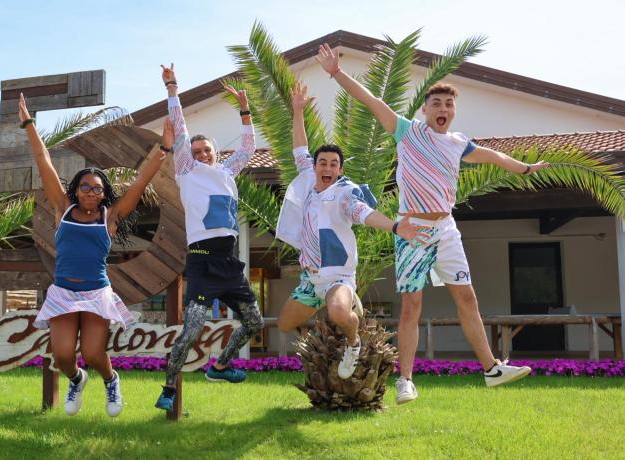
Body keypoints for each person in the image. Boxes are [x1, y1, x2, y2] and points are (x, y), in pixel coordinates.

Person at [316, 43, 549, 403]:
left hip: (447, 229)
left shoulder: (458, 143)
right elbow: (372, 101)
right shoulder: (407, 132)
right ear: (425, 109)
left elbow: (493, 155)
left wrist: (523, 167)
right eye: (436, 104)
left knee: (467, 299)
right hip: (413, 229)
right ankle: (405, 380)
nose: (443, 109)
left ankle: (491, 369)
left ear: (454, 111)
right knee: (412, 306)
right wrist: (336, 73)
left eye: (449, 104)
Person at [19, 93, 173, 417]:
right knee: (62, 356)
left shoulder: (111, 216)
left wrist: (164, 148)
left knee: (92, 351)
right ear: (75, 190)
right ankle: (76, 379)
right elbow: (43, 159)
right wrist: (29, 124)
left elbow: (142, 178)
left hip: (95, 292)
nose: (91, 192)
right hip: (63, 290)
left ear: (104, 193)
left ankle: (111, 379)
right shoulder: (63, 208)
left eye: (98, 188)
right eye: (86, 187)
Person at [276, 83, 429, 380]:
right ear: (316, 166)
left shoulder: (345, 194)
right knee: (283, 323)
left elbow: (365, 213)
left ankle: (352, 340)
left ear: (340, 170)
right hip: (311, 278)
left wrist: (395, 226)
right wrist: (296, 110)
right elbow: (299, 148)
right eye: (323, 162)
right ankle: (333, 312)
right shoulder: (308, 179)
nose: (327, 167)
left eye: (334, 164)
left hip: (338, 276)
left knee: (337, 312)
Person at [155, 64, 264, 412]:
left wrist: (245, 110)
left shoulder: (228, 171)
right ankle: (169, 388)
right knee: (193, 329)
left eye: (207, 150)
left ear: (217, 153)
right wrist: (173, 87)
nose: (203, 154)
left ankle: (219, 367)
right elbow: (181, 128)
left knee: (254, 322)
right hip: (202, 261)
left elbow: (248, 146)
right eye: (198, 150)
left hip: (229, 263)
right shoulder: (187, 169)